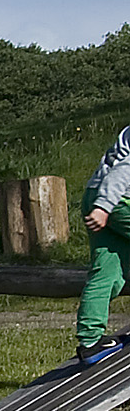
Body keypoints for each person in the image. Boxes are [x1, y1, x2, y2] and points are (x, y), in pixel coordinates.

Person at [80, 125, 130, 360]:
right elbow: (124, 170)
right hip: (116, 200)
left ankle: (90, 342)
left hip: (94, 194)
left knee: (107, 271)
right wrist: (104, 206)